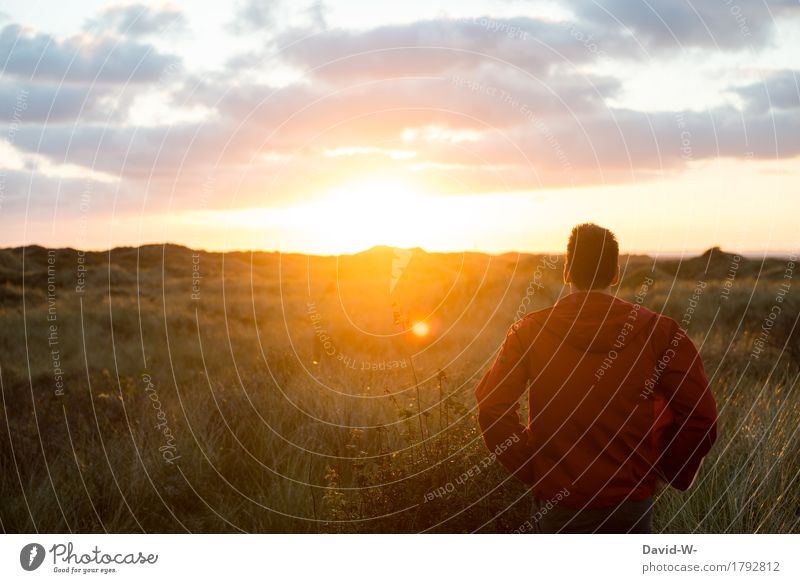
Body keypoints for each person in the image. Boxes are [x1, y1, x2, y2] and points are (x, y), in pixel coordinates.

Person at [475, 223, 717, 533]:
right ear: (615, 273)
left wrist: (536, 469)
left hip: (558, 506)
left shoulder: (528, 332)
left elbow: (492, 409)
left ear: (567, 271)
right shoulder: (661, 332)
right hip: (629, 505)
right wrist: (665, 471)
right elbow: (701, 416)